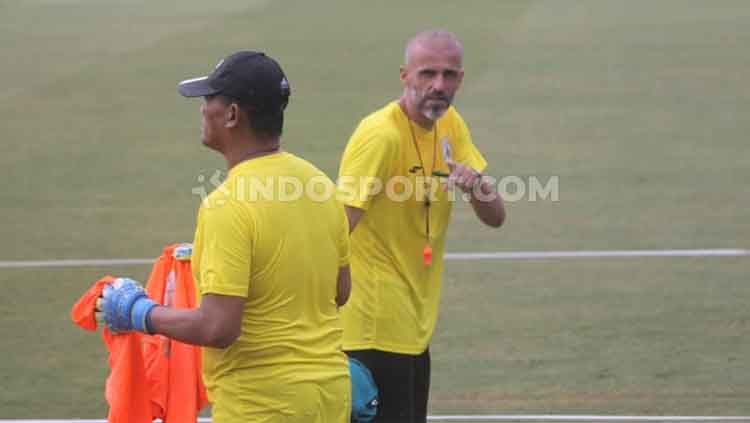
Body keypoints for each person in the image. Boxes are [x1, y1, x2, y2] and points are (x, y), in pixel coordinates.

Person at [98, 51, 352, 423]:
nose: (202, 110)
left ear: (232, 114)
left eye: (209, 99)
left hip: (263, 405)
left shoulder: (227, 205)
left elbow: (218, 327)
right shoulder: (320, 185)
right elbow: (340, 291)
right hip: (331, 395)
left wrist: (140, 313)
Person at [337, 30, 506, 422]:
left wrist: (476, 186)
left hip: (415, 323)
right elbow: (337, 228)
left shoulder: (451, 125)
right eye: (427, 73)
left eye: (449, 76)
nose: (438, 85)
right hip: (371, 325)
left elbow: (496, 216)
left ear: (461, 79)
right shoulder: (380, 135)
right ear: (404, 75)